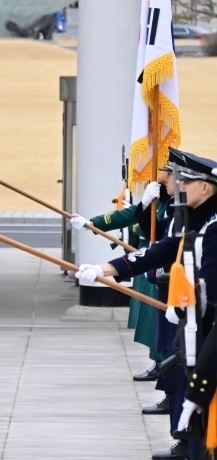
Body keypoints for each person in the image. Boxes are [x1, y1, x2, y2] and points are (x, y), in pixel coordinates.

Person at [76, 149, 217, 460]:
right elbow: (160, 251)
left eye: (186, 181)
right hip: (196, 330)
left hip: (209, 333)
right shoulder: (193, 219)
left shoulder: (213, 227)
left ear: (205, 187)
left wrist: (188, 304)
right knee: (195, 417)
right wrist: (104, 270)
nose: (177, 186)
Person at [70, 169, 175, 419]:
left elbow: (160, 236)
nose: (163, 176)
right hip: (151, 264)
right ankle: (162, 369)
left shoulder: (180, 207)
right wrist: (93, 222)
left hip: (167, 273)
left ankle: (167, 380)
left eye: (168, 173)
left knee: (166, 334)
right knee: (158, 329)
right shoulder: (162, 197)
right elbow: (136, 218)